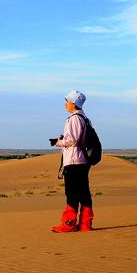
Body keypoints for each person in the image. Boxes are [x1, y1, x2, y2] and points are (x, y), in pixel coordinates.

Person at [51, 90, 94, 233]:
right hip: (80, 161)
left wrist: (59, 142)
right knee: (83, 193)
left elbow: (72, 140)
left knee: (72, 193)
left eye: (67, 100)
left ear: (74, 103)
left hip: (75, 161)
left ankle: (69, 224)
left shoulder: (75, 118)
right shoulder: (84, 118)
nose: (65, 103)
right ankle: (85, 224)